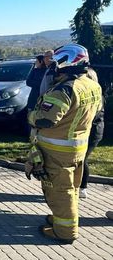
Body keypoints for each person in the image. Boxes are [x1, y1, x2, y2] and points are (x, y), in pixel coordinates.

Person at [26, 44, 102, 243]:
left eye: (57, 63)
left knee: (59, 190)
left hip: (57, 150)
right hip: (78, 147)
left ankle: (65, 231)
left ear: (67, 61)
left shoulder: (65, 89)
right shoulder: (92, 85)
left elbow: (46, 119)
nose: (54, 67)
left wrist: (31, 116)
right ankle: (63, 218)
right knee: (72, 187)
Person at [79, 68, 105, 199]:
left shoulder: (96, 96)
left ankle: (83, 187)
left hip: (93, 132)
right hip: (86, 130)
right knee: (79, 158)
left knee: (82, 158)